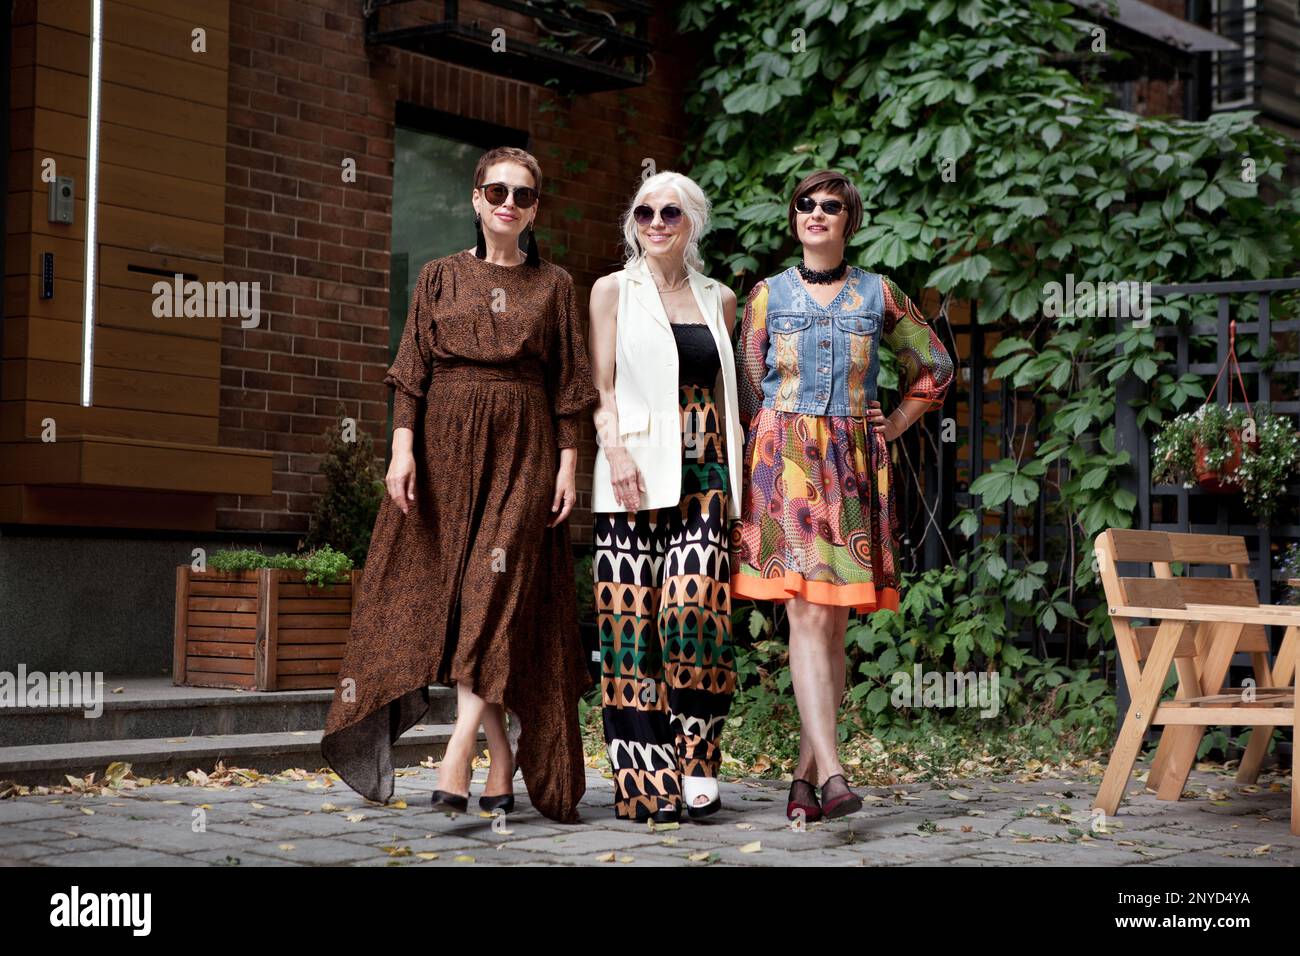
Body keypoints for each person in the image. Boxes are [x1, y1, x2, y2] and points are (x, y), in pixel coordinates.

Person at [321, 146, 599, 823]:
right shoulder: (439, 277)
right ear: (476, 199)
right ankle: (500, 761)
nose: (509, 202)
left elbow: (570, 389)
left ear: (535, 209)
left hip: (526, 450)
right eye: (497, 190)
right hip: (444, 458)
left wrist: (568, 467)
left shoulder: (556, 285)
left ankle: (458, 750)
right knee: (454, 609)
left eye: (523, 195)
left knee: (491, 597)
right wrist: (400, 451)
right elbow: (410, 372)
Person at [731, 170, 954, 821]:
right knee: (805, 614)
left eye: (831, 206)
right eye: (807, 205)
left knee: (832, 623)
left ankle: (805, 779)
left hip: (853, 464)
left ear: (848, 220)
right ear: (794, 217)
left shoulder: (877, 293)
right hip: (787, 468)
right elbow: (748, 387)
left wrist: (897, 423)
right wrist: (769, 448)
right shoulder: (767, 295)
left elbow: (936, 365)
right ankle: (832, 770)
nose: (817, 214)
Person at [588, 171, 742, 822]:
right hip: (633, 474)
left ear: (693, 222)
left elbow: (729, 392)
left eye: (670, 212)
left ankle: (698, 757)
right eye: (645, 210)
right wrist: (616, 451)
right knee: (630, 633)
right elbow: (602, 386)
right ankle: (646, 779)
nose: (656, 221)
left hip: (705, 472)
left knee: (692, 610)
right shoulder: (611, 291)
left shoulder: (720, 298)